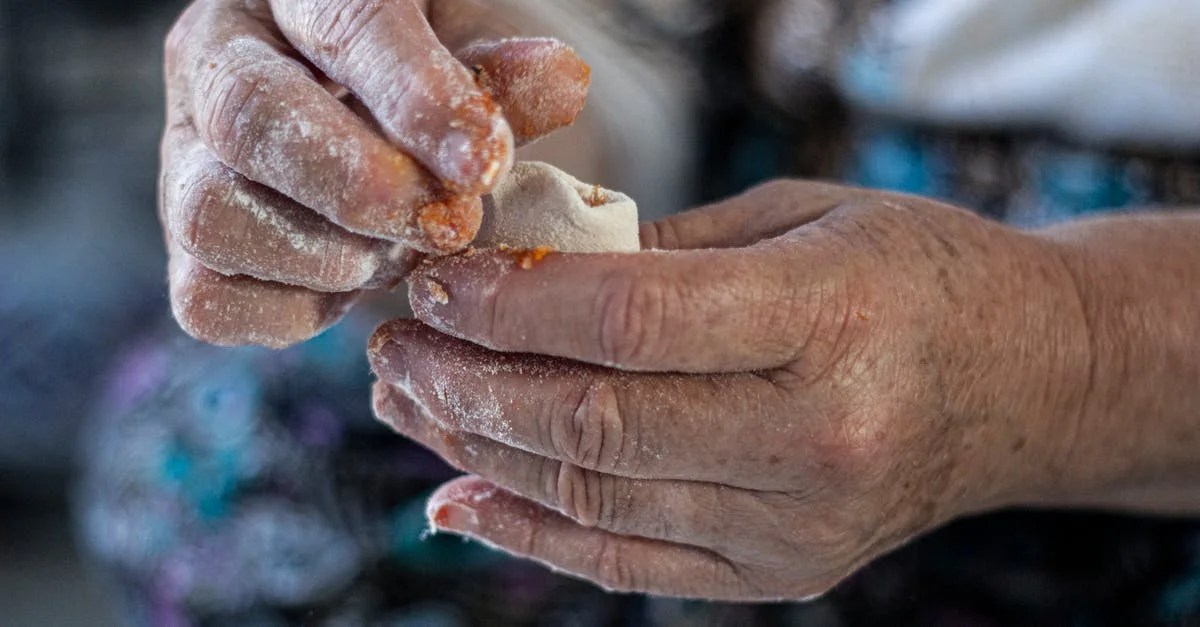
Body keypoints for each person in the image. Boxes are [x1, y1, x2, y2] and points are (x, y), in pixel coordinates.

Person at [153, 0, 1200, 619]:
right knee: (212, 465)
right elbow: (644, 45)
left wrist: (1069, 350)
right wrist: (446, 93)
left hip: (1158, 324)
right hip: (782, 181)